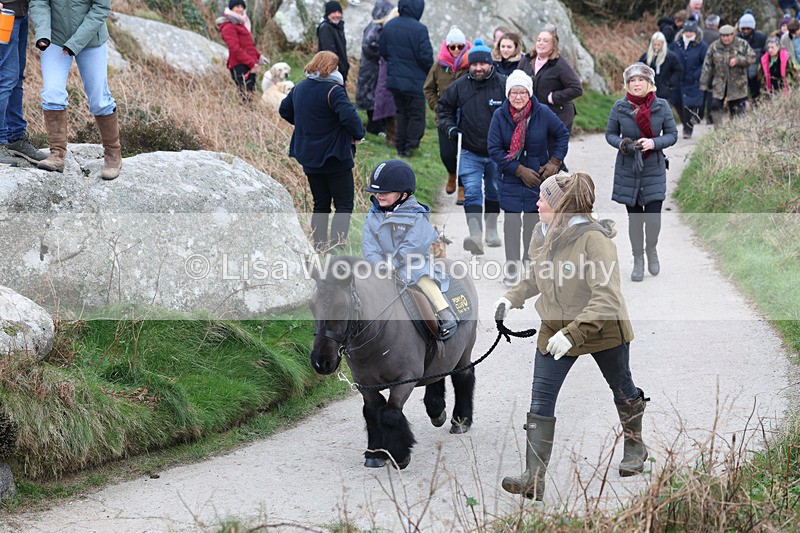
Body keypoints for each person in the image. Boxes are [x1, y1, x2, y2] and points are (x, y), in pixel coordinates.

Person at [494, 171, 647, 504]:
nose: (537, 203)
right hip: (554, 327)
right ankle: (533, 479)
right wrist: (512, 296)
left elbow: (606, 298)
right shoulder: (542, 233)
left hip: (602, 330)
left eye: (543, 199)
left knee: (623, 389)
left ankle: (635, 445)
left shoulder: (595, 240)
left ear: (561, 206)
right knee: (540, 401)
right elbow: (537, 275)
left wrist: (573, 333)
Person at [487, 70, 569, 285]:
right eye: (514, 92)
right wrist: (517, 169)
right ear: (508, 94)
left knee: (533, 222)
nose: (518, 97)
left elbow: (562, 135)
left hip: (538, 177)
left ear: (529, 93)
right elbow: (494, 148)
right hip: (511, 177)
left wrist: (554, 162)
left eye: (522, 92)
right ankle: (512, 267)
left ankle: (530, 262)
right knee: (512, 223)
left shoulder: (542, 112)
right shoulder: (500, 115)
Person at [279, 51, 365, 251]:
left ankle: (319, 246)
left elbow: (284, 110)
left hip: (308, 154)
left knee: (321, 204)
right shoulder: (334, 90)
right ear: (331, 68)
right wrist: (358, 135)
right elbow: (350, 118)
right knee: (343, 204)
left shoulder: (300, 87)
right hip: (335, 155)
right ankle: (337, 246)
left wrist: (304, 126)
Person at [362, 159, 458, 334]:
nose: (379, 196)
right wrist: (379, 264)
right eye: (376, 192)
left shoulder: (416, 216)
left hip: (412, 262)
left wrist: (394, 262)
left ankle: (444, 312)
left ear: (403, 195)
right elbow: (369, 247)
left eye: (385, 192)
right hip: (383, 265)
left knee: (421, 275)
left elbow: (413, 246)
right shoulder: (372, 216)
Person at [29, 0, 122, 179]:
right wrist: (42, 33)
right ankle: (57, 154)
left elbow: (101, 8)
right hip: (55, 39)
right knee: (52, 94)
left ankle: (112, 155)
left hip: (91, 40)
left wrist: (75, 43)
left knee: (99, 101)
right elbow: (39, 2)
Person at [605, 63, 677, 281]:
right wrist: (624, 144)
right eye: (632, 81)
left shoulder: (661, 106)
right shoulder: (619, 107)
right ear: (627, 84)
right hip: (629, 169)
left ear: (649, 83)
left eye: (640, 80)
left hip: (653, 167)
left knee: (653, 219)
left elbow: (672, 135)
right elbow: (610, 134)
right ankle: (638, 259)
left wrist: (654, 143)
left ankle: (651, 249)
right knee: (635, 220)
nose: (636, 84)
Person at [438, 39, 507, 256]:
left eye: (482, 64)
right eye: (474, 65)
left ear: (490, 64)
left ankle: (492, 229)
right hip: (469, 149)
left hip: (497, 151)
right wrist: (450, 128)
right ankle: (475, 235)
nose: (478, 68)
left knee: (495, 190)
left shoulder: (503, 84)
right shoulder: (459, 86)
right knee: (472, 193)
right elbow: (444, 110)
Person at [518, 26, 582, 170]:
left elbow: (576, 89)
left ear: (553, 46)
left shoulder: (559, 64)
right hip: (534, 114)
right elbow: (517, 81)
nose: (541, 43)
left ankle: (563, 183)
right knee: (538, 153)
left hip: (559, 115)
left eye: (546, 41)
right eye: (539, 40)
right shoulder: (526, 60)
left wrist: (554, 97)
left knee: (554, 156)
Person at [379, 0, 433, 158]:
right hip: (415, 81)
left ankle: (400, 145)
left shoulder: (389, 25)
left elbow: (383, 51)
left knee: (401, 112)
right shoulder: (420, 29)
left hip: (395, 79)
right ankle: (411, 146)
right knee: (416, 115)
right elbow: (426, 57)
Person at [423, 26, 470, 200]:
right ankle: (451, 173)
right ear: (447, 47)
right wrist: (438, 107)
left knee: (465, 153)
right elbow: (428, 89)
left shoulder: (471, 64)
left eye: (460, 46)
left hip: (467, 116)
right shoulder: (439, 65)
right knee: (447, 153)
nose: (457, 50)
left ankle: (462, 187)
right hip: (444, 116)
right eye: (453, 47)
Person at [0, 0, 46, 166]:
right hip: (4, 13)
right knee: (6, 78)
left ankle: (15, 137)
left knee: (16, 78)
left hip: (20, 12)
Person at [700, 25, 756, 125]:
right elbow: (707, 66)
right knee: (715, 107)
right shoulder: (714, 46)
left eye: (728, 35)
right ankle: (719, 131)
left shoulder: (742, 44)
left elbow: (752, 58)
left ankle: (736, 133)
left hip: (738, 85)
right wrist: (703, 83)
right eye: (723, 36)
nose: (725, 38)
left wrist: (738, 60)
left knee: (737, 110)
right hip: (719, 84)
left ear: (733, 34)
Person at [355, 0, 395, 135]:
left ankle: (379, 126)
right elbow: (369, 46)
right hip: (371, 70)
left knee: (376, 98)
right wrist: (385, 51)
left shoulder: (379, 27)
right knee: (372, 99)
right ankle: (374, 127)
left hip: (373, 69)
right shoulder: (375, 28)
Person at [217, 0, 268, 102]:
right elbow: (235, 49)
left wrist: (258, 57)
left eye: (242, 7)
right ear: (231, 8)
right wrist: (252, 63)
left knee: (250, 94)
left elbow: (248, 46)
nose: (240, 9)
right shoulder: (228, 26)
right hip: (239, 66)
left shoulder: (241, 24)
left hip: (248, 64)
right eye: (237, 6)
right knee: (246, 95)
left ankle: (250, 116)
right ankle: (246, 116)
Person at [668, 19, 707, 139]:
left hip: (693, 81)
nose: (688, 34)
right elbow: (670, 58)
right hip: (678, 80)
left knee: (690, 105)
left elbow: (705, 63)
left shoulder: (701, 45)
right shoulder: (676, 44)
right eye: (686, 31)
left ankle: (688, 129)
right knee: (677, 102)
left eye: (691, 31)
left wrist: (696, 75)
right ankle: (685, 123)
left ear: (695, 32)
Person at [639, 32, 683, 101]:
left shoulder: (670, 57)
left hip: (665, 92)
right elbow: (639, 69)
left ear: (663, 44)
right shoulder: (646, 57)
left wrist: (670, 83)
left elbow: (679, 70)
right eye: (655, 45)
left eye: (659, 45)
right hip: (648, 91)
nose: (656, 47)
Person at [737, 11, 767, 104]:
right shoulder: (737, 38)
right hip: (740, 73)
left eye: (748, 29)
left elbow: (765, 53)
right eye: (743, 28)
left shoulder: (761, 38)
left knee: (756, 96)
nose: (745, 31)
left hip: (756, 73)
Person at [317, 1, 350, 83]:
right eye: (334, 12)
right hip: (331, 72)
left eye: (339, 12)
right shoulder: (325, 28)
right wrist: (340, 68)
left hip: (339, 71)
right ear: (328, 14)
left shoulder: (338, 27)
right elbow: (329, 52)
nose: (337, 15)